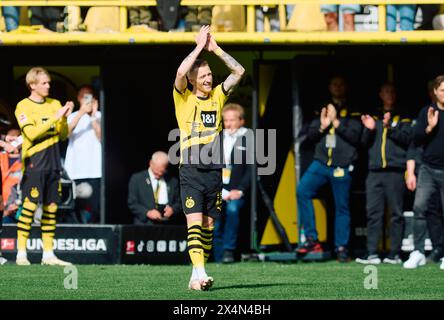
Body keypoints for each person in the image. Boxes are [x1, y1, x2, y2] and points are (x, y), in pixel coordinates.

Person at [173, 25, 245, 290]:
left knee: (208, 226)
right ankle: (201, 273)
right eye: (202, 75)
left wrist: (215, 50)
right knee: (194, 221)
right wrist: (198, 48)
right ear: (192, 80)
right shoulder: (182, 97)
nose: (208, 78)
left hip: (214, 170)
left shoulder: (217, 96)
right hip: (191, 168)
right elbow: (181, 71)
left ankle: (195, 277)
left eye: (209, 74)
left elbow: (239, 71)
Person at [296, 76, 362, 262]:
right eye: (334, 84)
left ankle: (341, 247)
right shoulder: (321, 107)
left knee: (342, 206)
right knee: (302, 191)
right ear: (329, 87)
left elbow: (357, 136)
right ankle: (311, 238)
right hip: (321, 163)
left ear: (346, 87)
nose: (337, 87)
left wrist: (336, 122)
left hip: (342, 165)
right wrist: (323, 126)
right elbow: (309, 136)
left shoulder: (354, 108)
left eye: (341, 84)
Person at [14, 67, 73, 266]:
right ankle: (21, 253)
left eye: (48, 82)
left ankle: (48, 255)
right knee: (29, 208)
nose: (48, 86)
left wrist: (64, 118)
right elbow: (31, 134)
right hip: (35, 164)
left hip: (54, 164)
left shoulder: (54, 104)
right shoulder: (23, 106)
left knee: (51, 209)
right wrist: (56, 116)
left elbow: (63, 134)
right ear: (32, 85)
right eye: (43, 83)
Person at [356, 83, 412, 265]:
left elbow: (408, 140)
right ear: (380, 94)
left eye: (392, 91)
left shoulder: (403, 116)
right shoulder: (373, 116)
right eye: (386, 91)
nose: (389, 94)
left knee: (396, 213)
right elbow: (363, 143)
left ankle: (393, 254)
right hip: (374, 172)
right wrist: (369, 129)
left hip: (395, 171)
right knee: (373, 213)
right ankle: (372, 252)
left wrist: (390, 127)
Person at [404, 75, 444, 270]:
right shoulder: (426, 112)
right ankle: (417, 252)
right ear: (435, 92)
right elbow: (416, 140)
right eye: (442, 90)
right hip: (428, 168)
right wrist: (429, 127)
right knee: (419, 207)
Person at [213, 103, 251, 264]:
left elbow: (252, 169)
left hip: (237, 190)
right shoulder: (217, 138)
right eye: (225, 120)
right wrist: (220, 190)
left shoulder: (249, 137)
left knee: (233, 210)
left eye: (232, 120)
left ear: (241, 121)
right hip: (218, 188)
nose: (228, 124)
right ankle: (218, 255)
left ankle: (229, 251)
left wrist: (240, 190)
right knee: (214, 218)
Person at [64, 85, 102, 224]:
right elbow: (65, 135)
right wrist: (81, 112)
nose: (87, 100)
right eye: (83, 97)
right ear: (78, 99)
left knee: (95, 209)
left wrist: (93, 116)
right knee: (73, 209)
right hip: (74, 171)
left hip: (95, 171)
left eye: (89, 96)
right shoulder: (73, 116)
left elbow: (101, 137)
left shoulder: (100, 116)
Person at [128, 151, 182, 225]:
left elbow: (179, 203)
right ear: (150, 163)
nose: (159, 174)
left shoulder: (173, 181)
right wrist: (148, 213)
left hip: (167, 226)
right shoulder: (137, 179)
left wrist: (173, 210)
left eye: (162, 171)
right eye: (156, 172)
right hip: (144, 226)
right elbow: (132, 203)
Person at [0, 128, 23, 223]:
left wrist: (14, 207)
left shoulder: (27, 160)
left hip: (17, 210)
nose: (11, 143)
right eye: (9, 140)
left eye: (14, 140)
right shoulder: (1, 157)